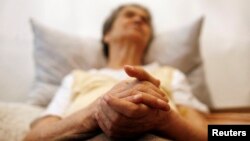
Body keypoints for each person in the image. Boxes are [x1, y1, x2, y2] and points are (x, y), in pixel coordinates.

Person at [24, 4, 209, 141]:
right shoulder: (76, 77)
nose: (138, 20)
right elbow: (33, 138)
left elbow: (203, 134)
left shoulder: (171, 74)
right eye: (129, 15)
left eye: (145, 20)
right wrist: (93, 114)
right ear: (107, 35)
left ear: (147, 40)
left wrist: (164, 121)